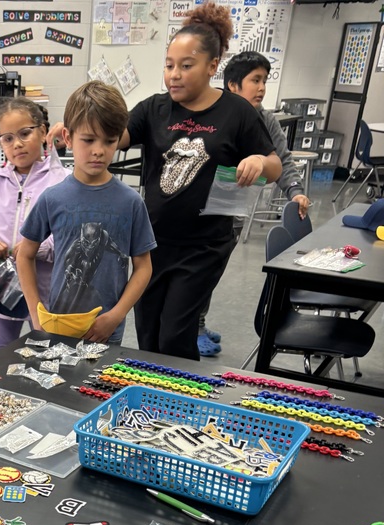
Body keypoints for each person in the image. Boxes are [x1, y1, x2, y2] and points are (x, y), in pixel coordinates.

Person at [49, 5, 281, 360]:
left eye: (186, 66)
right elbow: (115, 136)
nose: (174, 74)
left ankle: (179, 397)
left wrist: (258, 160)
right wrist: (78, 130)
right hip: (152, 242)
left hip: (204, 246)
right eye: (169, 65)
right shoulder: (155, 108)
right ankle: (154, 396)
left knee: (174, 333)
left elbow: (275, 166)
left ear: (212, 65)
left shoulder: (237, 112)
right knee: (149, 333)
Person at [16, 81, 155, 344]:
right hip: (58, 325)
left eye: (109, 141)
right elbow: (25, 254)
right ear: (68, 137)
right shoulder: (52, 198)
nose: (99, 150)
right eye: (88, 140)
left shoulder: (131, 202)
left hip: (107, 332)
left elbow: (143, 266)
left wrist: (117, 314)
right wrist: (36, 313)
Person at [196, 50, 311, 355]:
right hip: (199, 214)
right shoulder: (213, 115)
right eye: (254, 80)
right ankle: (192, 327)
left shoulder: (264, 119)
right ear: (233, 85)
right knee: (198, 273)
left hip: (233, 212)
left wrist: (295, 191)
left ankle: (198, 321)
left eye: (264, 80)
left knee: (213, 272)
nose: (261, 87)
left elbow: (282, 160)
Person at [0, 97, 69, 355]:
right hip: (3, 289)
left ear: (43, 131)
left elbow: (71, 236)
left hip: (47, 293)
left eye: (25, 133)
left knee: (47, 356)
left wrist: (38, 248)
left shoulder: (62, 182)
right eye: (8, 138)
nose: (17, 144)